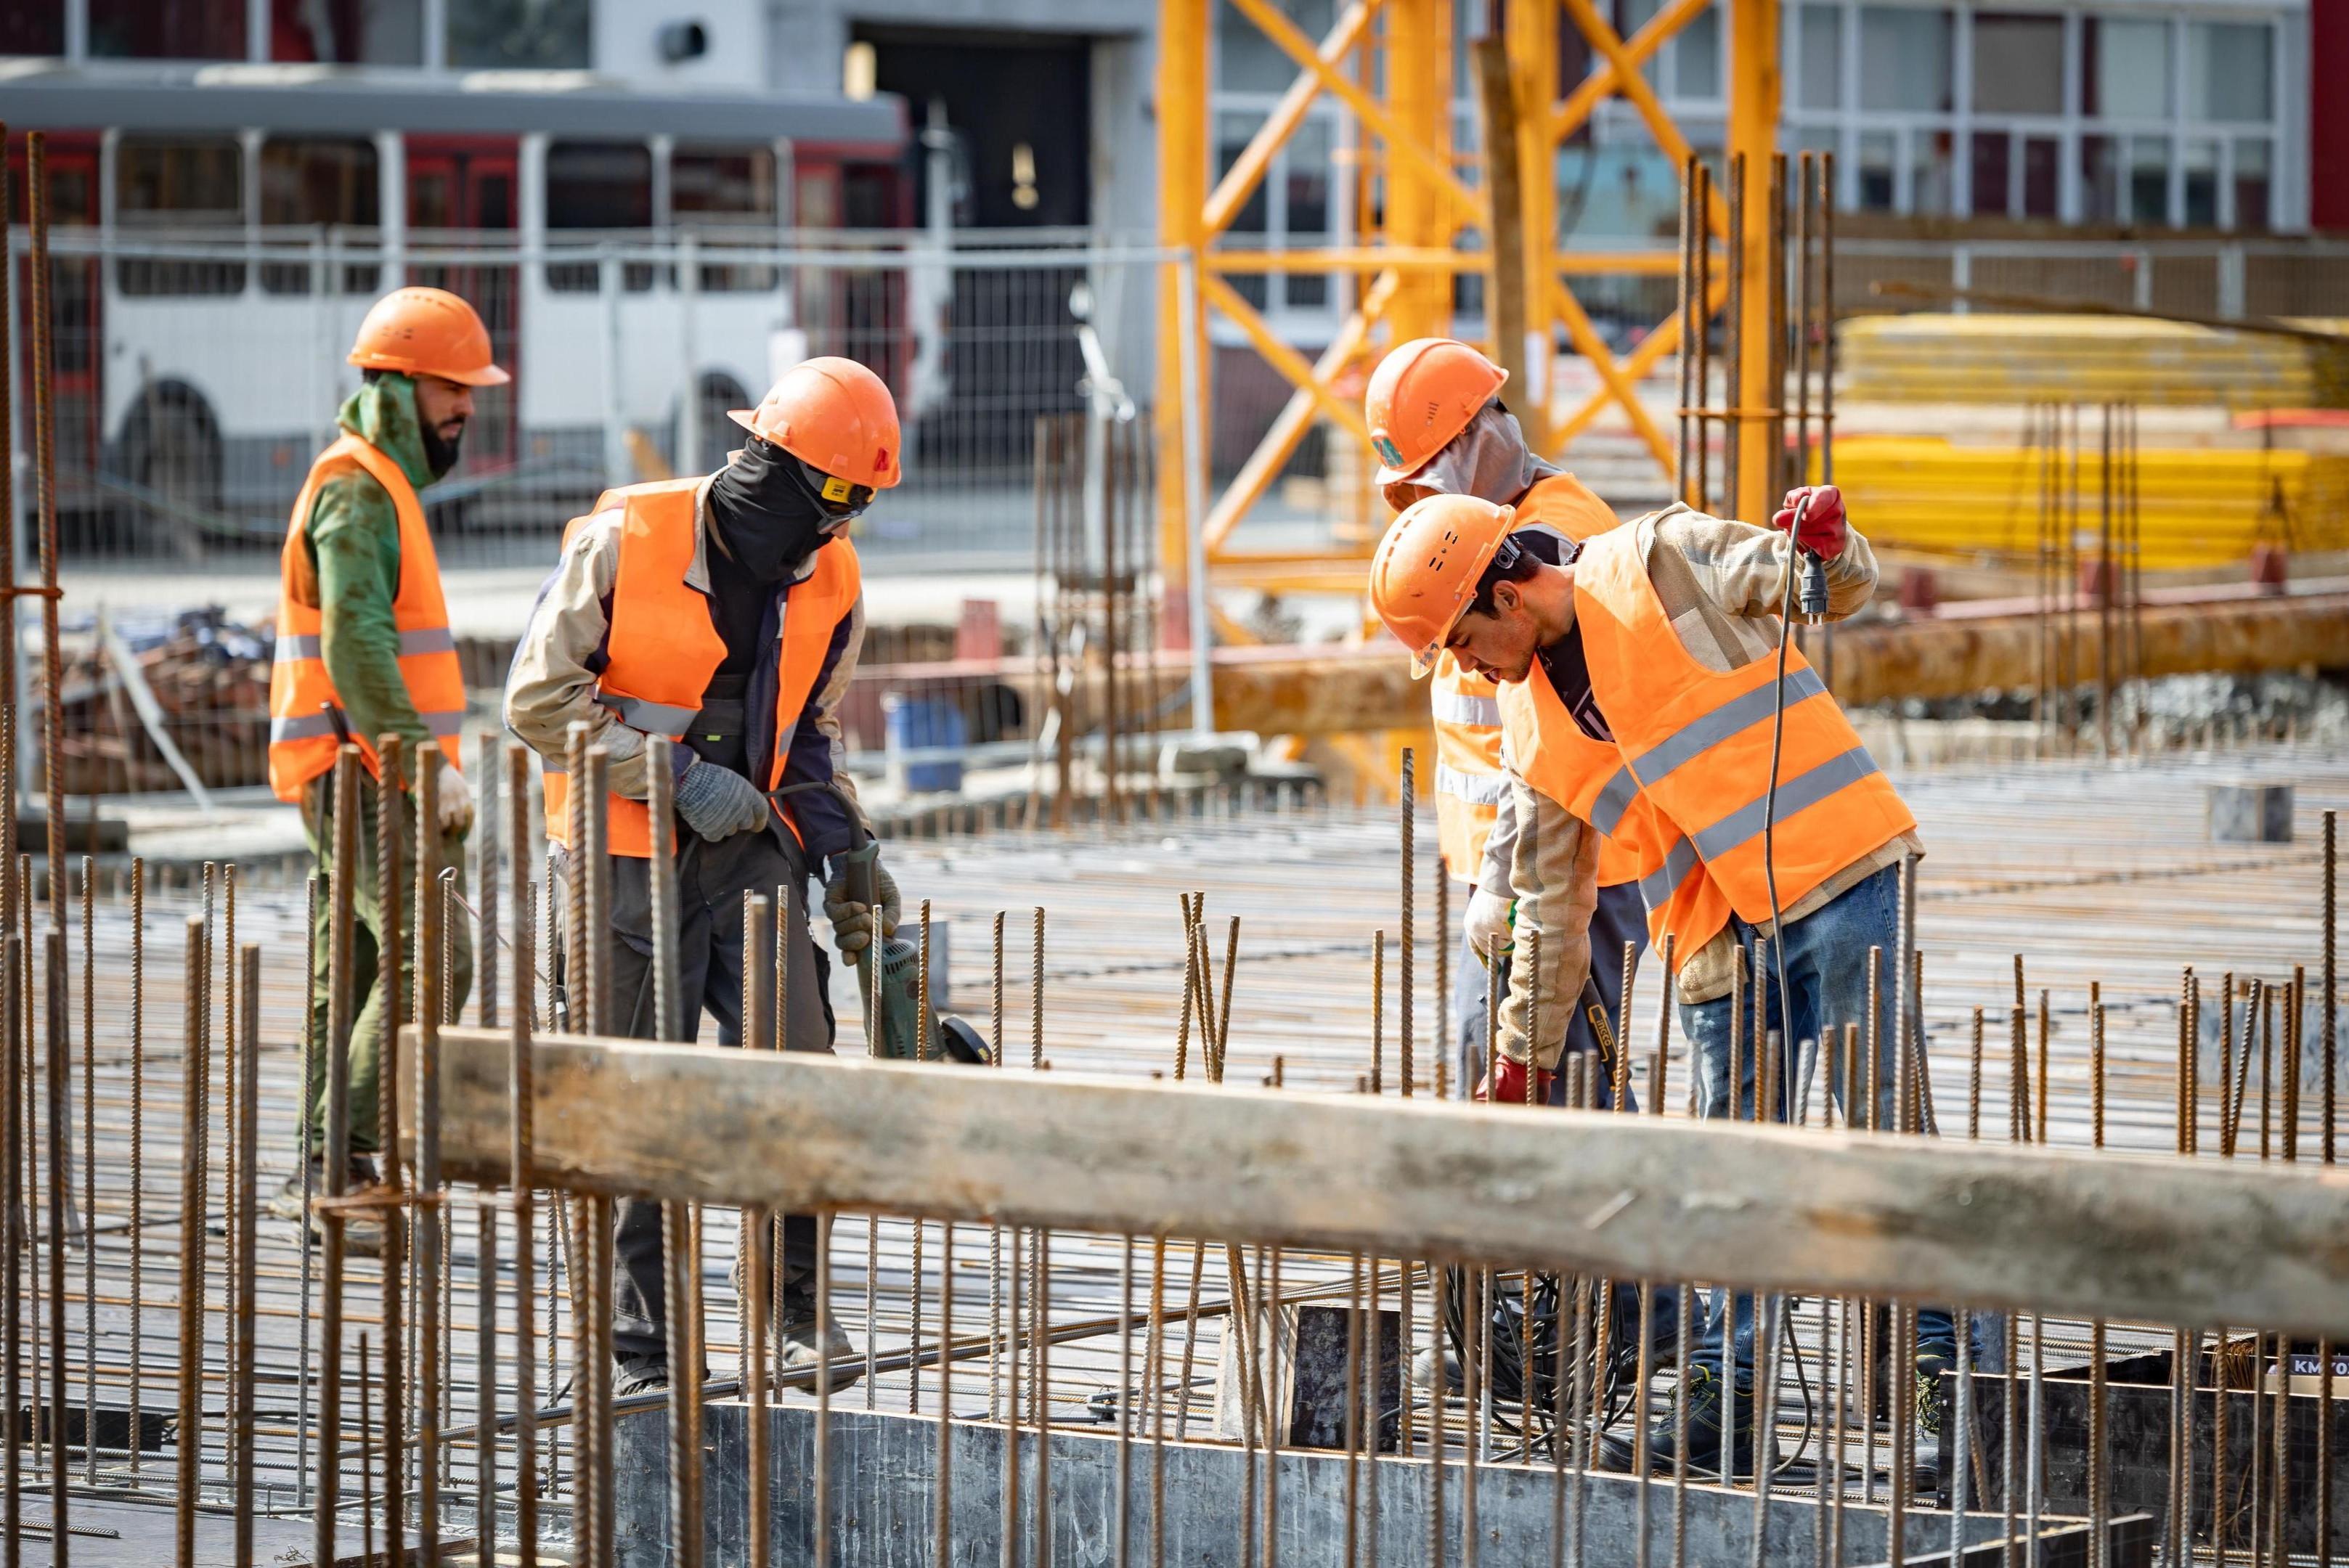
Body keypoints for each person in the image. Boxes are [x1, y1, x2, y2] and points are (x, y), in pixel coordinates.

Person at [1367, 484, 1954, 1477]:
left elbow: (1826, 585)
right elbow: (1549, 909)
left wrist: (1826, 543)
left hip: (1833, 872)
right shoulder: (1529, 724)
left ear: (1507, 596)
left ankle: (1945, 1384)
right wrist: (1522, 1060)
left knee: (1886, 1137)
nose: (1465, 667)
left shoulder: (1658, 558)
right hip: (1711, 933)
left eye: (1463, 642)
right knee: (1728, 1173)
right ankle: (1728, 1401)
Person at [504, 356, 903, 1397]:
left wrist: (848, 850)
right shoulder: (623, 540)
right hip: (621, 855)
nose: (834, 532)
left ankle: (788, 1304)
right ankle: (642, 1349)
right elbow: (537, 701)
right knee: (636, 1090)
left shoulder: (833, 574)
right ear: (769, 466)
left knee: (796, 1060)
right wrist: (671, 775)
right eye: (828, 502)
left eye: (853, 511)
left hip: (749, 848)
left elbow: (808, 732)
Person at [266, 287, 492, 1255]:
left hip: (357, 761)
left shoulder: (378, 484)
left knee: (357, 965)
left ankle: (322, 1172)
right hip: (363, 763)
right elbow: (356, 644)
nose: (467, 408)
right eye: (451, 389)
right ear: (397, 388)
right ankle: (350, 1167)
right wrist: (420, 762)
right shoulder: (357, 490)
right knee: (434, 957)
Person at [1361, 338, 1641, 1105]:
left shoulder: (1540, 542)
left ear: (1479, 439)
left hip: (1562, 872)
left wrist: (1508, 883)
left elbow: (1553, 741)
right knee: (1529, 1074)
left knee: (1549, 1083)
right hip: (1506, 870)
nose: (1422, 504)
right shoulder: (1478, 532)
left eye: (1429, 480)